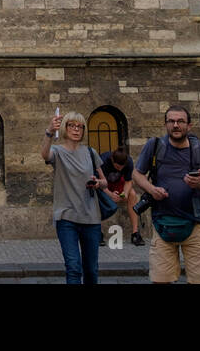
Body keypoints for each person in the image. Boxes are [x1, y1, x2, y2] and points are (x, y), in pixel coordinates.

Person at [131, 106, 200, 284]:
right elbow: (136, 174)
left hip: (196, 225)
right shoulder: (155, 146)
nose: (175, 125)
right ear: (165, 124)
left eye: (180, 121)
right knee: (160, 280)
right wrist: (151, 189)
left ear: (189, 125)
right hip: (162, 224)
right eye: (171, 121)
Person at [41, 110, 106, 284]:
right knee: (74, 268)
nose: (76, 129)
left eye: (80, 126)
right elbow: (45, 155)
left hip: (91, 218)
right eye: (72, 125)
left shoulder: (91, 152)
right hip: (66, 217)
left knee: (91, 270)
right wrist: (48, 132)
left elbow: (104, 181)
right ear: (64, 128)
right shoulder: (57, 152)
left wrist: (98, 183)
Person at [99, 145, 144, 246]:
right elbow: (99, 183)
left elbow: (128, 181)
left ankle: (135, 233)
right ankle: (99, 233)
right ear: (112, 160)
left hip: (118, 184)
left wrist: (125, 194)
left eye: (122, 167)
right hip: (104, 185)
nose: (120, 169)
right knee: (96, 197)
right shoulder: (103, 160)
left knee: (132, 194)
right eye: (118, 167)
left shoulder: (128, 162)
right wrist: (110, 195)